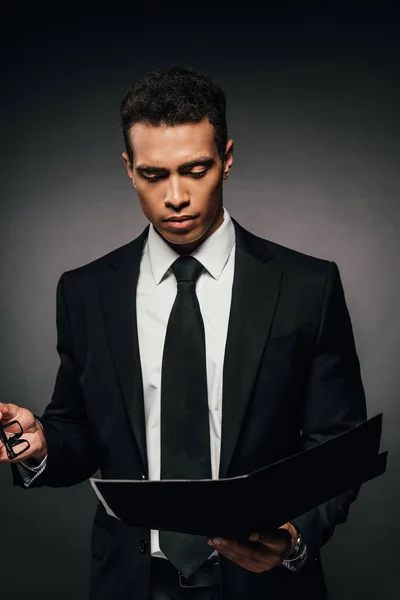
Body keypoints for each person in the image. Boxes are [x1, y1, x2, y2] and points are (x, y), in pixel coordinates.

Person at [0, 66, 367, 600]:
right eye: (154, 175)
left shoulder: (309, 285)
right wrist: (40, 446)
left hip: (265, 586)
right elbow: (80, 433)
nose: (176, 197)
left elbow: (339, 446)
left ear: (228, 158)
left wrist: (293, 539)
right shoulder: (84, 293)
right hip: (131, 583)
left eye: (196, 170)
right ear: (129, 169)